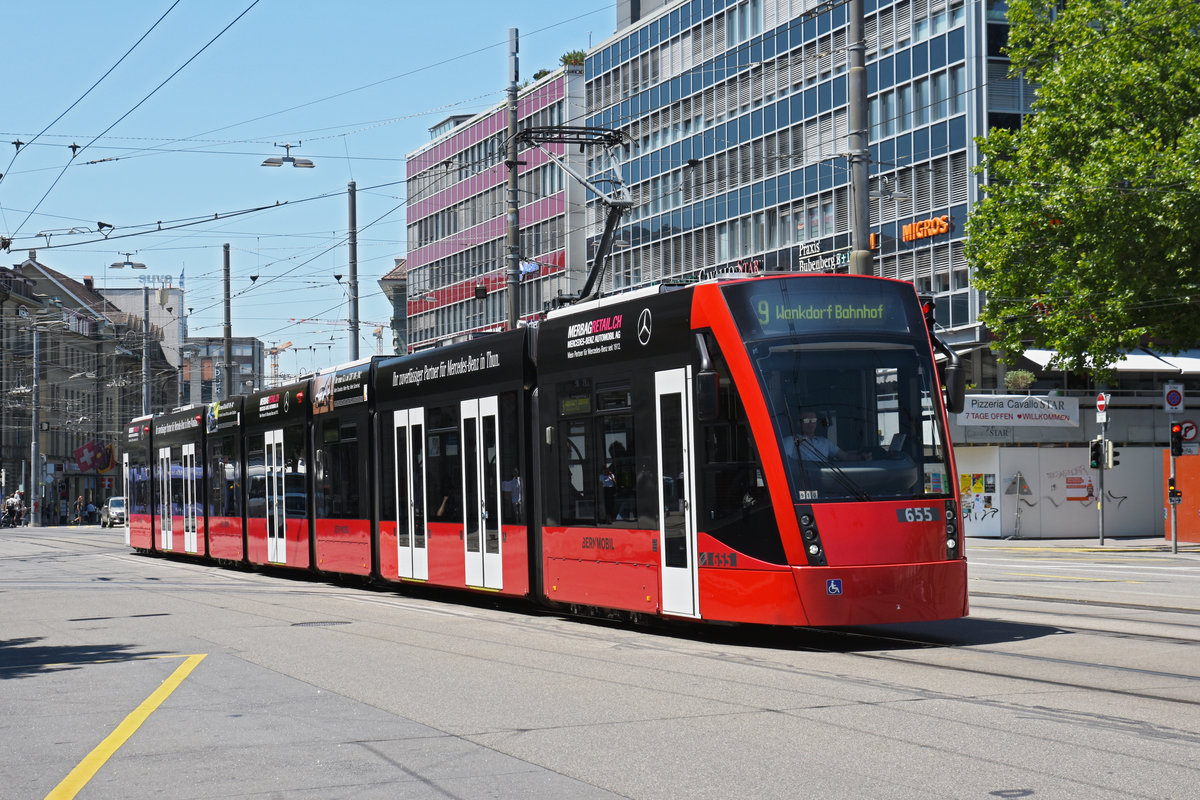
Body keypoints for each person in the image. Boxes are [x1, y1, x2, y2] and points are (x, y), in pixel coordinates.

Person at [788, 411, 870, 462]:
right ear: (799, 423)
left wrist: (861, 457)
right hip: (803, 483)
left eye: (813, 421)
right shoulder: (791, 441)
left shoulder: (825, 442)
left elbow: (845, 456)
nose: (811, 424)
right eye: (807, 421)